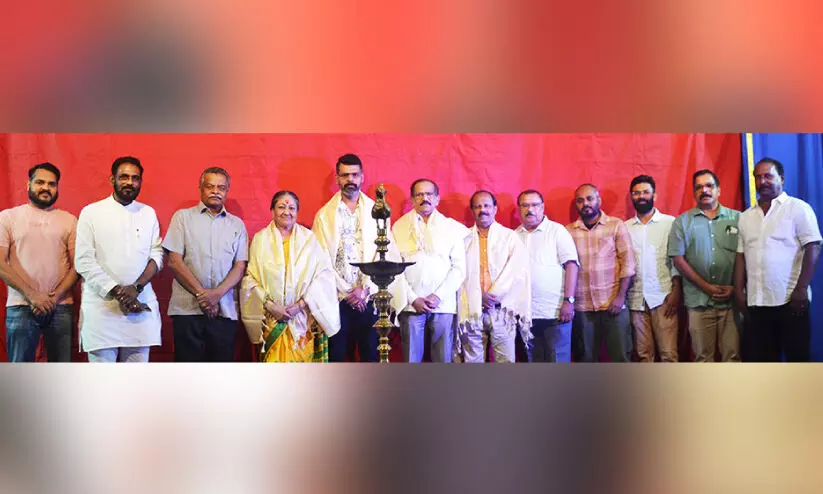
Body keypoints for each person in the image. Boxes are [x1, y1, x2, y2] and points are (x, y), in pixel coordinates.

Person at [311, 153, 404, 362]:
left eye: (354, 175)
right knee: (337, 356)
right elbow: (320, 259)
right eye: (345, 175)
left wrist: (364, 289)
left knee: (371, 355)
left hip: (369, 297)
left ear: (362, 177)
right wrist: (347, 292)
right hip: (337, 298)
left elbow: (384, 252)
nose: (350, 180)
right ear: (337, 178)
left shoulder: (378, 211)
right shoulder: (324, 215)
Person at [74, 156, 163, 363]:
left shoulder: (148, 213)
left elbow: (157, 255)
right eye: (124, 177)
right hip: (102, 310)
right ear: (112, 179)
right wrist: (120, 293)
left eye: (135, 178)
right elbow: (84, 260)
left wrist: (136, 288)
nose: (129, 182)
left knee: (135, 379)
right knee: (103, 379)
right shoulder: (91, 212)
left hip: (139, 307)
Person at [734, 158, 822, 362]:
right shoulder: (745, 217)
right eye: (758, 177)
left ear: (781, 178)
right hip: (757, 303)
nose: (762, 181)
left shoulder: (798, 208)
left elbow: (813, 247)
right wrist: (739, 291)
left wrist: (801, 289)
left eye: (768, 176)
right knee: (765, 363)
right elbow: (740, 255)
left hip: (791, 301)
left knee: (797, 361)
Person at [241, 191, 340, 362]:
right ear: (272, 210)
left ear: (297, 212)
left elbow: (323, 276)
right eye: (281, 207)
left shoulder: (310, 240)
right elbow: (250, 279)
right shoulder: (260, 240)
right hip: (272, 319)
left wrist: (299, 306)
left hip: (302, 320)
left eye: (292, 208)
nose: (286, 212)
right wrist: (271, 306)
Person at [163, 167, 248, 362]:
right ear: (201, 188)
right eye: (210, 186)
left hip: (223, 311)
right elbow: (174, 261)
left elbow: (240, 266)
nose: (215, 191)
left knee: (221, 373)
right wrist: (203, 296)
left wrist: (216, 296)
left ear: (227, 191)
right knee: (187, 372)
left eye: (221, 188)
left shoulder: (237, 225)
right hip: (187, 311)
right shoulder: (182, 218)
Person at [0, 162, 78, 362]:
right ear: (28, 184)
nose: (46, 188)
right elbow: (1, 263)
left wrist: (54, 297)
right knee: (20, 373)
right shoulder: (7, 218)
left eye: (51, 184)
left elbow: (78, 265)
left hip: (60, 306)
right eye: (40, 182)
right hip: (21, 305)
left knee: (61, 373)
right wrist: (33, 295)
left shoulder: (69, 220)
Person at [668, 169, 741, 362]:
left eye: (709, 186)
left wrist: (735, 288)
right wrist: (707, 287)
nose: (704, 190)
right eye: (699, 187)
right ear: (694, 192)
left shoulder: (738, 219)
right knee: (703, 359)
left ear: (718, 190)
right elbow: (678, 260)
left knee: (732, 357)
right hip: (698, 301)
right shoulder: (682, 222)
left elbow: (748, 256)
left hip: (732, 301)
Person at [392, 179, 468, 363]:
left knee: (443, 360)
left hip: (443, 304)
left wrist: (437, 296)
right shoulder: (399, 227)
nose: (424, 198)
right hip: (411, 304)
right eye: (419, 194)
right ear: (412, 199)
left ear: (437, 198)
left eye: (429, 194)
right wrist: (413, 299)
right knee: (411, 360)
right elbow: (395, 268)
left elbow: (458, 268)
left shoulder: (451, 228)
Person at [456, 190, 530, 363]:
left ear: (495, 209)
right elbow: (458, 272)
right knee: (472, 363)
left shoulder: (509, 236)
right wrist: (477, 296)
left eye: (487, 206)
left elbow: (515, 270)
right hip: (471, 309)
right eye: (478, 207)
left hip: (501, 310)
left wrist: (493, 295)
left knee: (505, 362)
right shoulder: (463, 238)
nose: (483, 210)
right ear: (472, 211)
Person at [566, 183, 636, 362]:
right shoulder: (568, 232)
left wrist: (620, 298)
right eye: (580, 200)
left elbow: (628, 264)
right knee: (586, 359)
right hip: (583, 307)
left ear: (599, 200)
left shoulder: (615, 225)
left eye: (590, 199)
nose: (585, 204)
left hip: (613, 304)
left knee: (621, 357)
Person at [514, 189, 579, 362]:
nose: (530, 209)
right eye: (525, 205)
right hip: (525, 314)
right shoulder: (514, 236)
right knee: (533, 363)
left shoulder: (557, 231)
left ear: (542, 207)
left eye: (535, 205)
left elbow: (572, 265)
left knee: (557, 361)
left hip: (555, 312)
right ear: (519, 209)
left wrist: (569, 301)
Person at [624, 175, 682, 362]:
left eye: (645, 192)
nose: (641, 196)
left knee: (668, 354)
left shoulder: (670, 223)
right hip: (635, 300)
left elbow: (677, 259)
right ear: (631, 197)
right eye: (636, 193)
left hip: (663, 297)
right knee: (643, 355)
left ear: (654, 195)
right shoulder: (624, 228)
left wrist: (676, 291)